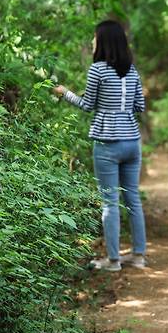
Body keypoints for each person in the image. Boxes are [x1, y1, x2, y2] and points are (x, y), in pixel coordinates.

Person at [53, 20, 146, 272]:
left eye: (95, 37)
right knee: (133, 200)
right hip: (132, 142)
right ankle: (138, 256)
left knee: (110, 203)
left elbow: (86, 105)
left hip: (107, 143)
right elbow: (140, 106)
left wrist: (64, 92)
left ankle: (114, 261)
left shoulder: (98, 70)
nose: (93, 42)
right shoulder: (132, 70)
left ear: (103, 41)